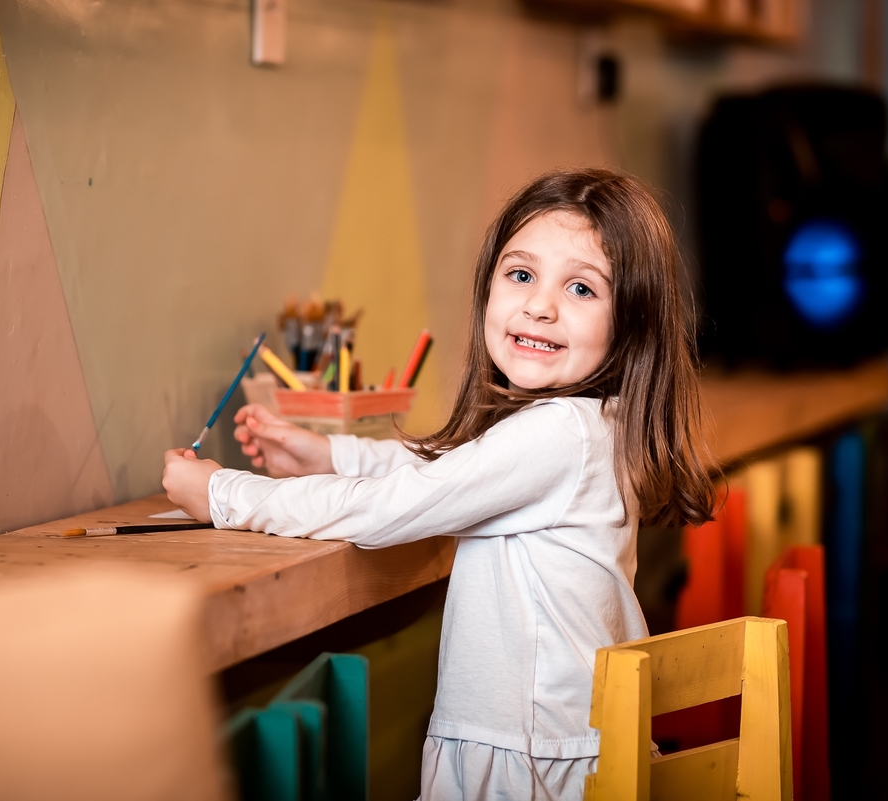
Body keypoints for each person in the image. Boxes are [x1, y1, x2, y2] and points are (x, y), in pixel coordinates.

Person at [162, 168, 717, 800]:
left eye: (583, 288)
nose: (540, 304)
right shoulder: (593, 425)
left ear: (633, 323)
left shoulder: (561, 433)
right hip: (558, 739)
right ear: (489, 287)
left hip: (533, 759)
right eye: (522, 274)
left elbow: (399, 508)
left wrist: (221, 494)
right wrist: (328, 453)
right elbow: (452, 473)